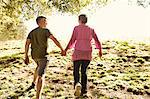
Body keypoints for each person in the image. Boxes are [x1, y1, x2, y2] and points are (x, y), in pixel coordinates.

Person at [24, 16, 64, 99]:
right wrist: (61, 49)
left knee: (39, 67)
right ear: (39, 22)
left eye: (46, 21)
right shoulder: (46, 31)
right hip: (43, 56)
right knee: (41, 76)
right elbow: (54, 39)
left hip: (34, 56)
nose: (46, 22)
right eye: (44, 21)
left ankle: (33, 83)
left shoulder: (32, 32)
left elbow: (27, 44)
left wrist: (26, 56)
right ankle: (37, 97)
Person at [63, 14, 102, 97]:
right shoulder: (91, 29)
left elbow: (72, 40)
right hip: (87, 52)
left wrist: (66, 49)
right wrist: (100, 50)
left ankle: (77, 83)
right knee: (84, 71)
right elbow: (96, 40)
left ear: (79, 20)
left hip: (78, 51)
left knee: (76, 70)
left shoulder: (76, 28)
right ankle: (84, 90)